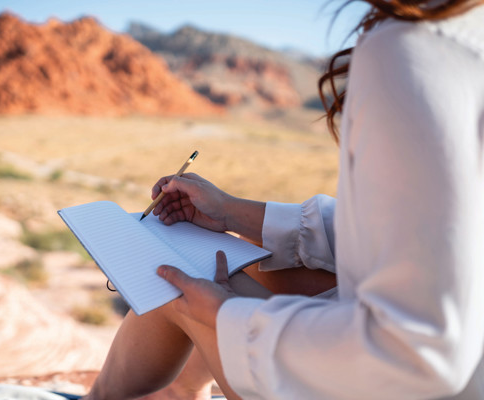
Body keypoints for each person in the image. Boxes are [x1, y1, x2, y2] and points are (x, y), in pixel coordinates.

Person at [83, 0, 484, 398]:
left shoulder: (414, 47)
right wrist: (231, 212)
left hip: (413, 381)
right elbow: (409, 232)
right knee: (258, 267)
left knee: (176, 279)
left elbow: (418, 351)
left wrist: (228, 317)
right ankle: (180, 390)